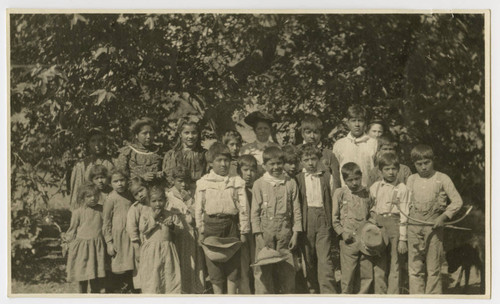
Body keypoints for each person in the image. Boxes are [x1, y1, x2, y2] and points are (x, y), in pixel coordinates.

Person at [406, 144, 463, 294]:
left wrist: (443, 217)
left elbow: (457, 201)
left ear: (433, 160)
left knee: (434, 268)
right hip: (413, 226)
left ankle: (433, 298)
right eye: (419, 164)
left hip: (434, 227)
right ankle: (416, 298)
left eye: (427, 163)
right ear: (414, 164)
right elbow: (403, 204)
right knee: (415, 267)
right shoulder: (411, 179)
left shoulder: (442, 178)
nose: (423, 167)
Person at [194, 142, 250, 294]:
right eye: (219, 160)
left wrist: (244, 231)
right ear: (211, 163)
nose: (224, 164)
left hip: (231, 225)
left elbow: (244, 208)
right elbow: (198, 209)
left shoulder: (236, 181)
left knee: (233, 269)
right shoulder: (203, 182)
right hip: (211, 226)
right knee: (214, 268)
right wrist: (201, 230)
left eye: (226, 160)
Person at [251, 146, 302, 294]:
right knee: (263, 271)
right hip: (265, 231)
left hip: (285, 232)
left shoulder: (290, 183)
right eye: (272, 164)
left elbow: (296, 210)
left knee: (287, 270)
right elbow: (254, 213)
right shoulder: (259, 184)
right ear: (264, 165)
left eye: (279, 163)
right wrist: (258, 235)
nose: (276, 167)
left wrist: (295, 233)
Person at [331, 162, 383, 294]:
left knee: (366, 273)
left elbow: (372, 209)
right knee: (348, 274)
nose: (354, 183)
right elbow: (335, 218)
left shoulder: (366, 192)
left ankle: (362, 297)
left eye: (357, 179)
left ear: (361, 177)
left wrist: (372, 221)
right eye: (350, 180)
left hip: (365, 239)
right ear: (344, 180)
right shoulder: (340, 193)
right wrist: (342, 233)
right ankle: (346, 297)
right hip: (348, 239)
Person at [295, 143, 337, 294]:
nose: (311, 163)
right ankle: (312, 289)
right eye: (306, 160)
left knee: (325, 259)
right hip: (306, 221)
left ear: (319, 159)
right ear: (301, 161)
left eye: (313, 159)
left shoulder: (326, 177)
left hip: (323, 219)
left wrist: (331, 221)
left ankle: (329, 292)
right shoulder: (298, 179)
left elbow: (332, 199)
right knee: (308, 258)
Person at [369, 153, 410, 294]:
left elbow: (405, 215)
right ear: (380, 171)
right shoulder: (375, 187)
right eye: (387, 169)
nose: (391, 172)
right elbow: (372, 207)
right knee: (379, 264)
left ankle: (393, 296)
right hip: (379, 226)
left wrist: (403, 239)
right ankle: (380, 294)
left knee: (395, 264)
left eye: (394, 169)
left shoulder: (403, 188)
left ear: (398, 170)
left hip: (395, 227)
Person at [166, 166, 205, 294]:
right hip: (177, 235)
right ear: (173, 181)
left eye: (185, 181)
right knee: (178, 263)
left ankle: (192, 291)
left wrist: (189, 201)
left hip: (191, 234)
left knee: (193, 264)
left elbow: (197, 213)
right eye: (180, 181)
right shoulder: (168, 196)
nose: (183, 184)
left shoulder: (191, 194)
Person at [139, 185, 182, 294]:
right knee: (153, 279)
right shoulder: (146, 214)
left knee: (170, 277)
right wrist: (153, 218)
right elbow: (143, 230)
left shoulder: (170, 214)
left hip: (168, 250)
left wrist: (172, 226)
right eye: (154, 201)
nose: (158, 204)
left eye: (160, 200)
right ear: (149, 201)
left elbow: (180, 229)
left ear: (165, 200)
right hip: (152, 252)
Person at [64, 182, 106, 293]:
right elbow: (72, 229)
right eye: (89, 196)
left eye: (95, 195)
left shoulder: (102, 210)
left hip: (96, 248)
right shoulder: (78, 212)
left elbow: (106, 227)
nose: (93, 198)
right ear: (82, 198)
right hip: (82, 248)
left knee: (95, 276)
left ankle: (94, 296)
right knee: (82, 276)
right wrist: (67, 243)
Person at [103, 168, 135, 293]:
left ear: (127, 181)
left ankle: (129, 289)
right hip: (117, 236)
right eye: (115, 181)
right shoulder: (111, 198)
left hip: (130, 235)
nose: (120, 184)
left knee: (130, 263)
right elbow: (106, 222)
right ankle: (115, 291)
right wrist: (109, 242)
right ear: (110, 183)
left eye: (122, 180)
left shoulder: (130, 195)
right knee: (117, 265)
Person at [69, 128, 114, 210]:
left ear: (105, 142)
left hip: (110, 205)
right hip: (89, 208)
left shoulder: (113, 162)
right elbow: (77, 191)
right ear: (88, 144)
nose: (97, 144)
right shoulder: (82, 165)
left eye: (100, 140)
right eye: (93, 141)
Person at [333, 105, 377, 187]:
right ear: (348, 123)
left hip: (368, 191)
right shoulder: (339, 144)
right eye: (353, 121)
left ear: (365, 123)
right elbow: (335, 172)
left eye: (360, 121)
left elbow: (378, 170)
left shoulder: (373, 143)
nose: (357, 124)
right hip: (346, 192)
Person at [297, 114, 341, 188]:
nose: (312, 136)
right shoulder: (296, 152)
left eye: (315, 132)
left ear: (321, 134)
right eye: (308, 132)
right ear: (302, 134)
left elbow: (336, 181)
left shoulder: (328, 154)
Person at [163, 117, 207, 190]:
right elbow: (169, 179)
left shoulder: (204, 154)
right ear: (180, 134)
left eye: (194, 133)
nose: (190, 136)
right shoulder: (172, 155)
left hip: (200, 191)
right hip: (177, 193)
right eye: (186, 133)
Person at [115, 118, 163, 184]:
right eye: (144, 133)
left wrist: (160, 174)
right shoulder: (127, 152)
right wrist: (141, 177)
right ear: (136, 135)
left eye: (151, 133)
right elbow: (121, 177)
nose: (149, 136)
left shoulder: (159, 151)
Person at [236, 154, 259, 294]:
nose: (249, 174)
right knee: (243, 265)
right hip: (242, 231)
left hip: (256, 231)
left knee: (257, 263)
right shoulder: (237, 188)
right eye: (245, 170)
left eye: (252, 170)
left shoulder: (258, 187)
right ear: (240, 171)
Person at [125, 177, 150, 291]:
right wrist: (137, 249)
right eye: (136, 194)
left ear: (147, 187)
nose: (140, 195)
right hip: (143, 244)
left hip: (158, 243)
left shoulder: (157, 203)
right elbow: (132, 229)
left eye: (142, 190)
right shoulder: (135, 209)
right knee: (144, 270)